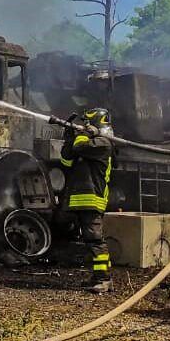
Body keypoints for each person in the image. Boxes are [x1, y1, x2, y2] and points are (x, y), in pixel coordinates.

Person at [51, 108, 116, 294]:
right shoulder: (88, 143)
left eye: (88, 123)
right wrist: (69, 137)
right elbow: (66, 160)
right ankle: (98, 277)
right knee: (87, 240)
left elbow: (80, 148)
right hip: (79, 199)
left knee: (95, 239)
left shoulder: (103, 144)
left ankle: (104, 279)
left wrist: (80, 135)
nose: (84, 126)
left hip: (93, 198)